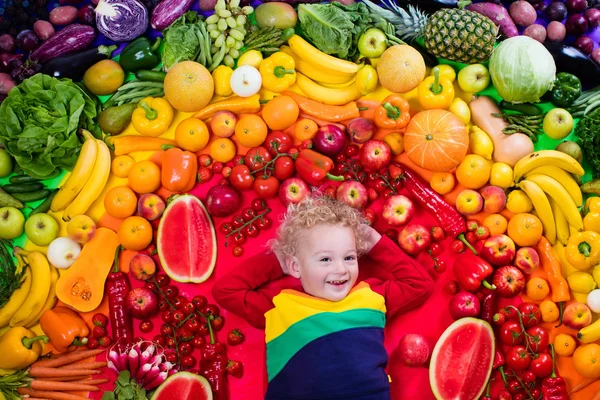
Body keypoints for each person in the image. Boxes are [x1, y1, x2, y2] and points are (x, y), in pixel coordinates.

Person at [212, 195, 434, 400]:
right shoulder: (278, 305)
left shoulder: (371, 295)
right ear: (295, 266)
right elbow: (226, 290)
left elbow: (420, 285)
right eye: (326, 259)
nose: (341, 269)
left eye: (349, 257)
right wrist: (278, 261)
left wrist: (375, 242)